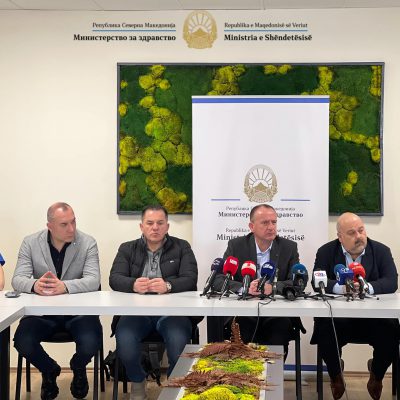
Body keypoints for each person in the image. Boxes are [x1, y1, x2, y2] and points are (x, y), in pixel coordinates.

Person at [12, 202, 102, 400]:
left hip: (79, 313)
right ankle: (49, 370)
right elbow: (17, 279)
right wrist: (34, 285)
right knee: (23, 341)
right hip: (42, 314)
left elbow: (93, 280)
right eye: (64, 224)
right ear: (50, 226)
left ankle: (78, 367)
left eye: (73, 222)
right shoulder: (30, 242)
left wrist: (65, 286)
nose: (71, 228)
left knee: (91, 341)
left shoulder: (88, 242)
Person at [109, 204, 199, 400]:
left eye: (160, 223)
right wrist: (133, 284)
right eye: (150, 223)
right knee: (125, 340)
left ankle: (174, 387)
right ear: (141, 226)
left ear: (167, 226)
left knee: (178, 345)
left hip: (173, 313)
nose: (155, 228)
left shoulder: (182, 247)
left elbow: (191, 278)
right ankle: (138, 382)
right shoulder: (127, 248)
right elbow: (114, 278)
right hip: (136, 313)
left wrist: (168, 285)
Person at [311, 212, 399, 400]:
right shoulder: (326, 252)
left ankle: (377, 375)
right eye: (352, 233)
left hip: (374, 320)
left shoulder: (381, 251)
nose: (359, 236)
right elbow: (317, 281)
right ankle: (336, 375)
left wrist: (367, 287)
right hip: (339, 320)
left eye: (361, 230)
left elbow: (391, 282)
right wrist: (341, 288)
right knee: (324, 328)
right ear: (340, 237)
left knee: (391, 330)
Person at [213, 204, 302, 355]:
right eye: (265, 223)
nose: (271, 227)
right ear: (251, 226)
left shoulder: (289, 247)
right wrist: (245, 288)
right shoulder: (236, 246)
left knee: (279, 329)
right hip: (244, 311)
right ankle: (245, 370)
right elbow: (219, 279)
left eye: (274, 222)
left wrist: (272, 287)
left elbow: (297, 282)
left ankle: (272, 370)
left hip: (277, 312)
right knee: (241, 328)